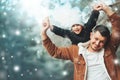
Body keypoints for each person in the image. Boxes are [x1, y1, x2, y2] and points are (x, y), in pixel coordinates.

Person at [41, 4, 120, 80]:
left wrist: (105, 9)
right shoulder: (75, 50)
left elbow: (116, 27)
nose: (97, 43)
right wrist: (45, 31)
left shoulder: (109, 46)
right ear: (91, 35)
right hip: (80, 49)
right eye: (96, 39)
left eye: (102, 42)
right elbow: (55, 51)